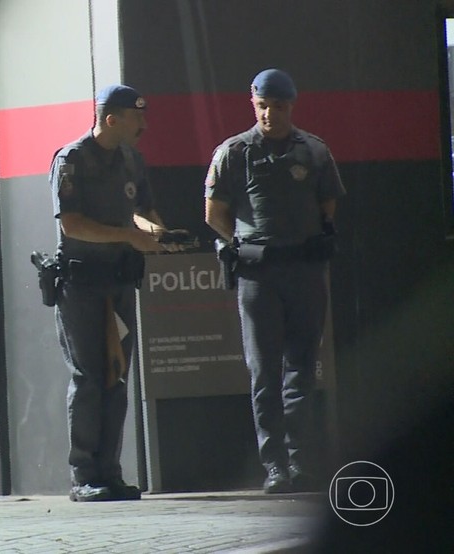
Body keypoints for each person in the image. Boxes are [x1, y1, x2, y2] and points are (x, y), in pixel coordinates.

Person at [204, 69, 346, 493]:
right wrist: (243, 244)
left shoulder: (315, 151)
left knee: (301, 370)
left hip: (304, 273)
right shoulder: (233, 152)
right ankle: (275, 468)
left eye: (278, 107)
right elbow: (213, 213)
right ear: (253, 104)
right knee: (264, 372)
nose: (270, 114)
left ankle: (301, 462)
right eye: (263, 106)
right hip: (259, 276)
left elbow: (328, 204)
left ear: (291, 106)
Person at [49, 84, 190, 502]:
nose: (144, 125)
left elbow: (142, 214)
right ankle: (84, 476)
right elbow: (71, 224)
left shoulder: (132, 159)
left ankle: (110, 472)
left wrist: (162, 235)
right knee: (88, 377)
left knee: (116, 375)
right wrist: (132, 236)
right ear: (112, 119)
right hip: (81, 284)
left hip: (120, 280)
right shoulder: (71, 160)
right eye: (137, 117)